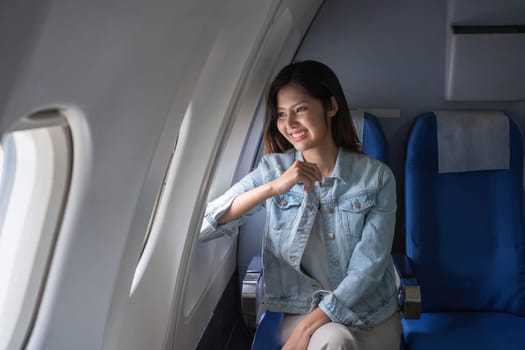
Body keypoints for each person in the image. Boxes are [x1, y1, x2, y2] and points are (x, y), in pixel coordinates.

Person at [200, 60, 401, 350]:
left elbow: (368, 268)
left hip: (369, 314)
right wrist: (273, 187)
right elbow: (207, 225)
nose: (289, 124)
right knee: (333, 340)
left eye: (300, 109)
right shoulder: (274, 171)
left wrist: (307, 328)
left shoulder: (377, 178)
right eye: (281, 114)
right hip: (302, 309)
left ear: (331, 106)